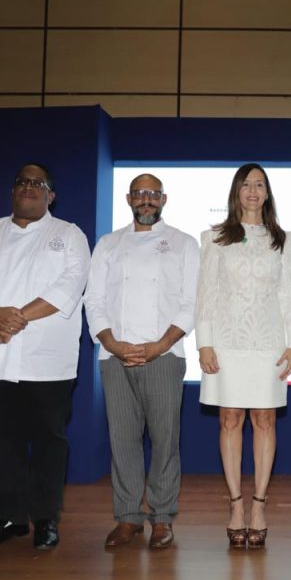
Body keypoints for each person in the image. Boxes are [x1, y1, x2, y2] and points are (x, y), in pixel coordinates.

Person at [0, 163, 90, 550]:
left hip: (48, 360)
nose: (29, 187)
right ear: (12, 190)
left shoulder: (69, 234)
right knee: (3, 441)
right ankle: (11, 516)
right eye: (22, 182)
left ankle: (46, 518)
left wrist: (13, 319)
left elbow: (70, 284)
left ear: (51, 195)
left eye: (38, 183)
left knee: (49, 441)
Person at [86, 173, 199, 550]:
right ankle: (128, 518)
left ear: (163, 199)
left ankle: (163, 518)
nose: (146, 200)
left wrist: (159, 345)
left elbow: (190, 303)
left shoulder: (183, 243)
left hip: (164, 355)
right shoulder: (109, 243)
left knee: (166, 441)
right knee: (123, 441)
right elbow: (94, 300)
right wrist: (112, 343)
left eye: (152, 194)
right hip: (115, 356)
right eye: (139, 194)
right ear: (128, 198)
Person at [195, 163, 291, 549]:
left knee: (265, 419)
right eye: (246, 185)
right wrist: (204, 342)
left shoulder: (285, 239)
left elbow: (290, 294)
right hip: (225, 341)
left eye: (259, 184)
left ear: (267, 192)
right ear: (236, 192)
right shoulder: (214, 238)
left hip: (269, 341)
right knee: (229, 419)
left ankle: (259, 504)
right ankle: (235, 505)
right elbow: (206, 292)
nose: (253, 191)